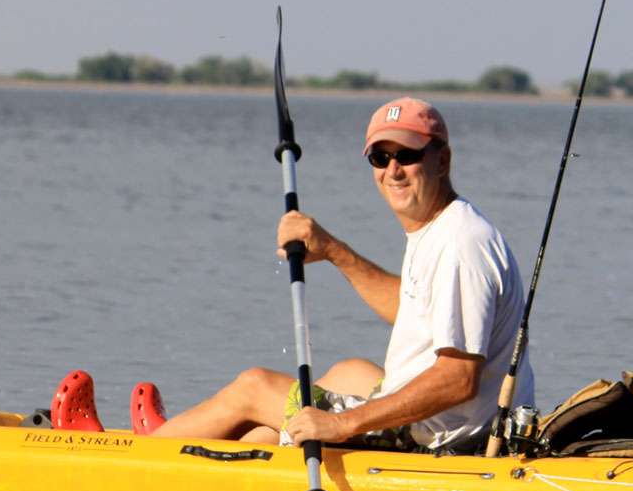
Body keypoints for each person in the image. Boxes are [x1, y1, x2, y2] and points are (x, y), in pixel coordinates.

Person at [103, 96, 533, 453]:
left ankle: (139, 454)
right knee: (350, 371)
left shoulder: (459, 244)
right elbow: (414, 310)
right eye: (381, 157)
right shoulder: (440, 227)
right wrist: (334, 252)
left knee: (254, 388)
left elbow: (458, 378)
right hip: (451, 423)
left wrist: (343, 424)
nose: (393, 170)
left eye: (408, 155)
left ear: (442, 161)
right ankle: (198, 436)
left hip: (439, 443)